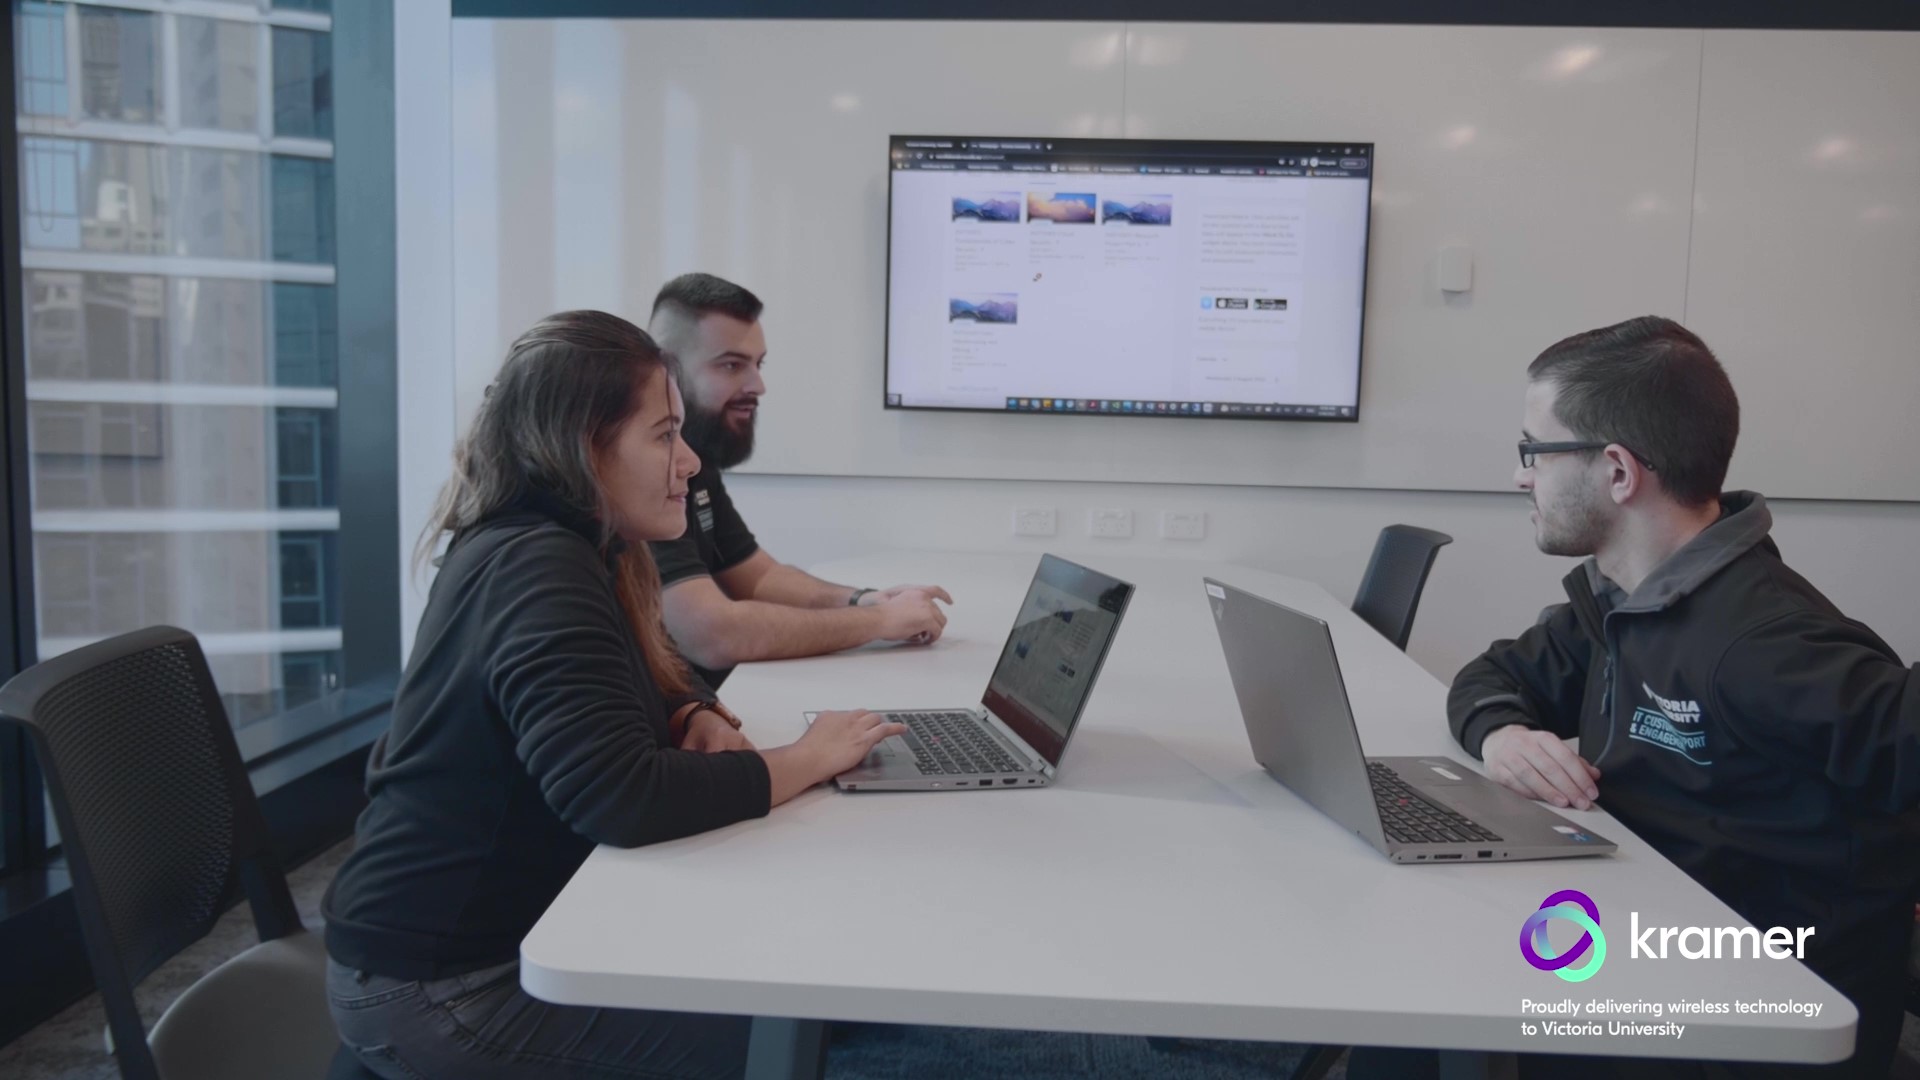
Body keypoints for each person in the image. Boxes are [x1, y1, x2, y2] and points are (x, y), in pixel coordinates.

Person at [321, 311, 906, 1079]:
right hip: (447, 988)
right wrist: (805, 758)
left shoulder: (558, 542)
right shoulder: (539, 569)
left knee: (806, 1001)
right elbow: (622, 799)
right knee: (811, 1050)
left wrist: (685, 709)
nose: (691, 461)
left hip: (464, 944)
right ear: (583, 447)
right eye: (664, 435)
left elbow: (617, 672)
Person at [1448, 316, 1920, 1079]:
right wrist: (1502, 735)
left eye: (1533, 452)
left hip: (1745, 1015)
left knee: (1463, 1008)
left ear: (1619, 472)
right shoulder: (1623, 602)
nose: (1520, 476)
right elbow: (1493, 677)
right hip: (1648, 935)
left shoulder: (1761, 644)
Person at [645, 272, 951, 688]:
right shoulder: (643, 474)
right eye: (732, 365)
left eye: (758, 364)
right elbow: (712, 634)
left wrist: (865, 599)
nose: (758, 385)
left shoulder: (697, 460)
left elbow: (757, 576)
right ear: (667, 368)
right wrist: (877, 621)